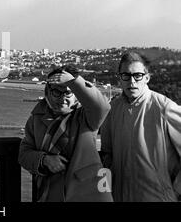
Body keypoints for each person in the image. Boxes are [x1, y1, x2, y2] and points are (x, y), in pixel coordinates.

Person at [18, 65, 112, 202]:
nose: (63, 99)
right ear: (47, 92)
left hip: (87, 192)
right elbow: (24, 154)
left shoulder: (86, 116)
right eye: (57, 92)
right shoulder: (36, 118)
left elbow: (102, 107)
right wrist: (44, 160)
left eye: (68, 93)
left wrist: (74, 81)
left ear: (76, 95)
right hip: (51, 192)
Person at [101, 52, 181, 201]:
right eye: (126, 75)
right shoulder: (112, 109)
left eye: (137, 75)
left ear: (147, 78)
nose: (132, 81)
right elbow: (106, 156)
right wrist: (105, 193)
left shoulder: (164, 107)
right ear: (120, 78)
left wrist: (174, 192)